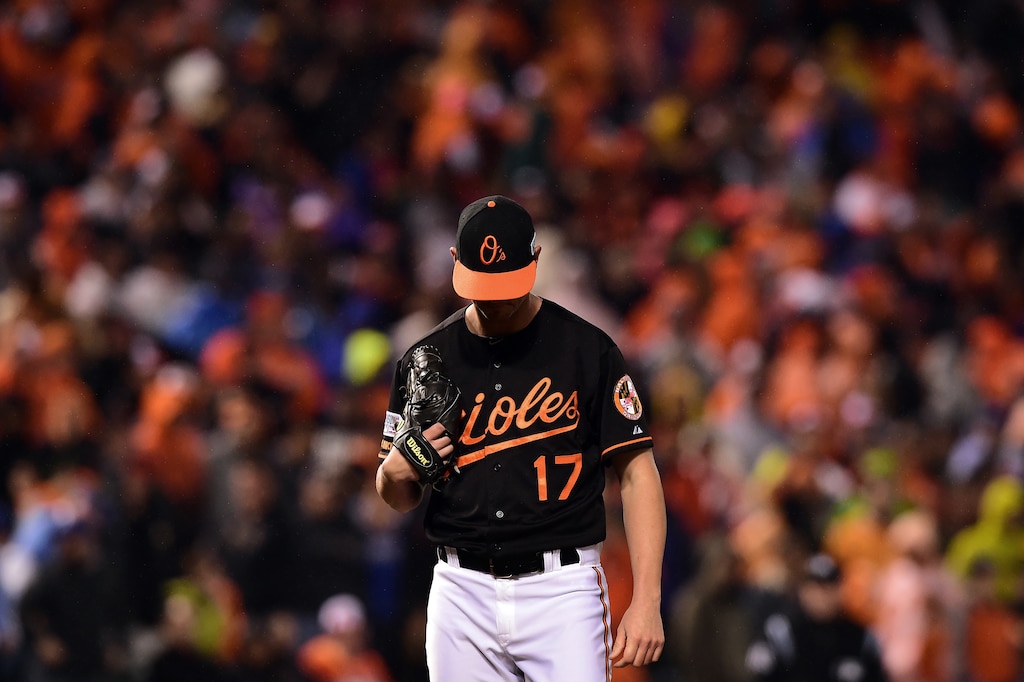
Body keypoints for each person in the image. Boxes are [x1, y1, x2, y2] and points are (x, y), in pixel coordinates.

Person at [375, 195, 666, 681]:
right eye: (481, 284)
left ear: (535, 263)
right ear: (455, 262)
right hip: (459, 589)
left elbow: (638, 474)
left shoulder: (587, 350)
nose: (494, 299)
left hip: (562, 589)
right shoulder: (425, 359)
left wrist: (647, 599)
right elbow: (396, 495)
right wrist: (395, 472)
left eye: (506, 285)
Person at [745, 552, 888, 682]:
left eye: (828, 587)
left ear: (841, 590)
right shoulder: (781, 631)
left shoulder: (860, 637)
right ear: (801, 590)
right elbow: (760, 674)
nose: (821, 596)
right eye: (813, 588)